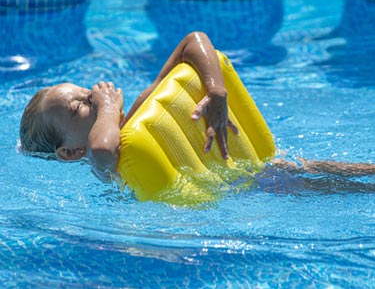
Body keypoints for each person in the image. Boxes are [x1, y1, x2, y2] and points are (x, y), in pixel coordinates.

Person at [20, 32, 375, 184]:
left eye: (85, 91)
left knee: (308, 169)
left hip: (250, 175)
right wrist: (110, 108)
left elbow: (194, 41)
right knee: (302, 179)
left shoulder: (144, 109)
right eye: (77, 108)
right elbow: (102, 150)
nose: (93, 97)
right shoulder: (106, 168)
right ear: (69, 153)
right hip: (243, 199)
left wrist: (217, 93)